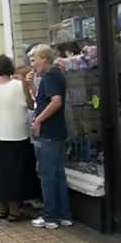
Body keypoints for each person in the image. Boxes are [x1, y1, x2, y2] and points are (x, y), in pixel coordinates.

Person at [0, 55, 39, 221]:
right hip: (16, 135)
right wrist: (28, 88)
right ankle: (14, 211)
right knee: (15, 174)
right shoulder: (18, 85)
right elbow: (31, 105)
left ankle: (2, 209)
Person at [29, 44, 73, 229]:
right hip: (57, 132)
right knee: (58, 175)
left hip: (49, 133)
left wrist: (38, 119)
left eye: (34, 59)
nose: (32, 64)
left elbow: (56, 102)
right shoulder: (54, 75)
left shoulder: (51, 75)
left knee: (48, 175)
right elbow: (42, 100)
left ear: (44, 59)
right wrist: (30, 85)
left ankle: (50, 216)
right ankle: (63, 214)